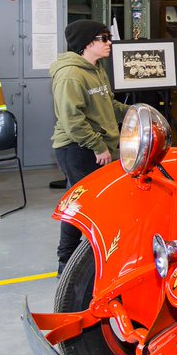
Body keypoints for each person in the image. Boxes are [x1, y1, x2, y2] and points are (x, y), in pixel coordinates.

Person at [50, 20, 129, 273]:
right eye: (103, 38)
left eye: (109, 37)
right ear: (86, 43)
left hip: (98, 146)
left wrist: (135, 112)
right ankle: (67, 264)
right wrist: (97, 146)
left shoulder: (96, 69)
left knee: (99, 204)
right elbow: (72, 119)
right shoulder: (71, 75)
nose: (109, 43)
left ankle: (99, 257)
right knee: (81, 205)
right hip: (78, 149)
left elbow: (109, 105)